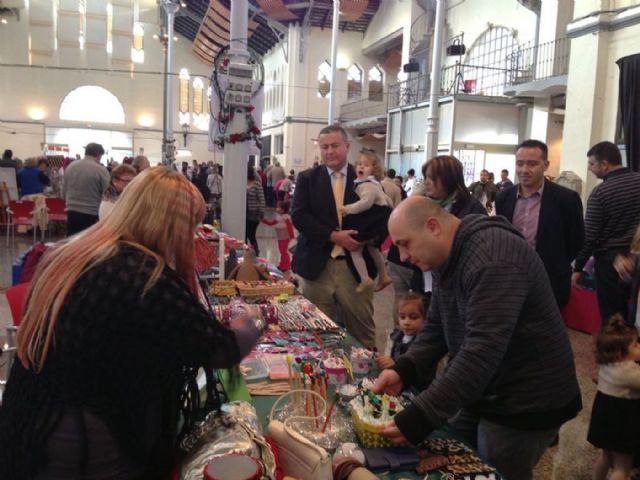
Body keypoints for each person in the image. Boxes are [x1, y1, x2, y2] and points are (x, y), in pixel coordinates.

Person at [0, 167, 263, 479]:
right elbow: (221, 349)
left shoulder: (74, 250)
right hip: (86, 440)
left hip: (28, 420)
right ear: (174, 225)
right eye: (190, 226)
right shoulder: (142, 273)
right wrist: (253, 321)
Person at [373, 197, 581, 480]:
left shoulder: (493, 258)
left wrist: (422, 415)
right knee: (456, 458)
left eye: (405, 243)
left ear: (433, 226)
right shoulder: (451, 253)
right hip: (486, 389)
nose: (403, 255)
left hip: (525, 401)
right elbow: (436, 326)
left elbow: (481, 352)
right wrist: (404, 369)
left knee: (495, 471)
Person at [291, 125, 376, 348]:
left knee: (362, 333)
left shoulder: (366, 180)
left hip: (355, 269)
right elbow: (299, 216)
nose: (330, 151)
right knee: (317, 332)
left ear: (347, 147)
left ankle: (369, 379)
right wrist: (333, 236)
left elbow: (381, 216)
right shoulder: (307, 179)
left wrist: (365, 239)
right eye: (325, 147)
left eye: (335, 146)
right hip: (317, 267)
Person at [496, 139, 584, 309]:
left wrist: (557, 262)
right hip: (512, 277)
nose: (524, 170)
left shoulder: (566, 199)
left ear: (546, 165)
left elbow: (576, 241)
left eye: (532, 164)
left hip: (551, 279)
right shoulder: (504, 197)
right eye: (520, 164)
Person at [572, 141, 640, 322]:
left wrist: (578, 266)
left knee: (612, 316)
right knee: (631, 313)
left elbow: (590, 236)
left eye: (591, 164)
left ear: (604, 164)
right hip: (635, 257)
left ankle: (612, 350)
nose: (589, 169)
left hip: (610, 262)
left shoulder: (601, 192)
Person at [588, 315, 640, 480]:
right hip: (621, 425)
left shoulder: (607, 364)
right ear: (620, 353)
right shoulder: (630, 372)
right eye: (636, 345)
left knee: (605, 458)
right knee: (622, 468)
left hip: (603, 422)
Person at [340, 150, 393, 292]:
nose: (361, 167)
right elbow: (387, 200)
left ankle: (365, 279)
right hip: (378, 216)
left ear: (374, 170)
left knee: (355, 249)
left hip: (371, 217)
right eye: (359, 164)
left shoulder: (367, 185)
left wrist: (347, 209)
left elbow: (365, 203)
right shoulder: (374, 184)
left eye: (366, 165)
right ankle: (384, 275)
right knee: (373, 248)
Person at [62, 142, 111, 235]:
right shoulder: (101, 169)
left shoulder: (70, 166)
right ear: (98, 154)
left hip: (71, 210)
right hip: (91, 213)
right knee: (87, 244)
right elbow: (107, 192)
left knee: (72, 241)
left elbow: (63, 191)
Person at [375, 292, 425, 369]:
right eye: (402, 317)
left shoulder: (423, 343)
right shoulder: (396, 336)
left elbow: (420, 368)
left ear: (425, 319)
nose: (406, 322)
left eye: (413, 317)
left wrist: (396, 363)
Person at [261, 200, 294, 271]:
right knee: (282, 251)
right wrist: (264, 221)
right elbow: (272, 223)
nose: (277, 208)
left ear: (283, 210)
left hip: (285, 237)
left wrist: (291, 236)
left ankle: (286, 266)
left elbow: (289, 227)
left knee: (283, 251)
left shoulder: (286, 217)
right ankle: (282, 264)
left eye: (278, 207)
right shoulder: (278, 216)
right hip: (280, 237)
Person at [246, 165, 265, 256]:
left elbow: (262, 199)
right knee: (245, 233)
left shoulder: (257, 184)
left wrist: (261, 213)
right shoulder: (242, 183)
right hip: (244, 213)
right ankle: (246, 252)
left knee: (251, 233)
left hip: (254, 213)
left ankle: (255, 252)